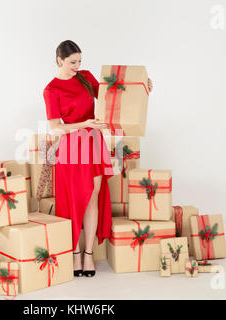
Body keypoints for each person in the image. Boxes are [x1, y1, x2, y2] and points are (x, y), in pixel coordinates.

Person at [43, 40, 153, 278]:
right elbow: (55, 128)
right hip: (72, 147)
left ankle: (89, 254)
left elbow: (111, 98)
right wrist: (83, 124)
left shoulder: (86, 77)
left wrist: (141, 88)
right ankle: (74, 253)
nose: (77, 66)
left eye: (80, 61)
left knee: (93, 198)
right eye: (73, 62)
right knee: (73, 201)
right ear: (59, 60)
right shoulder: (51, 89)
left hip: (93, 143)